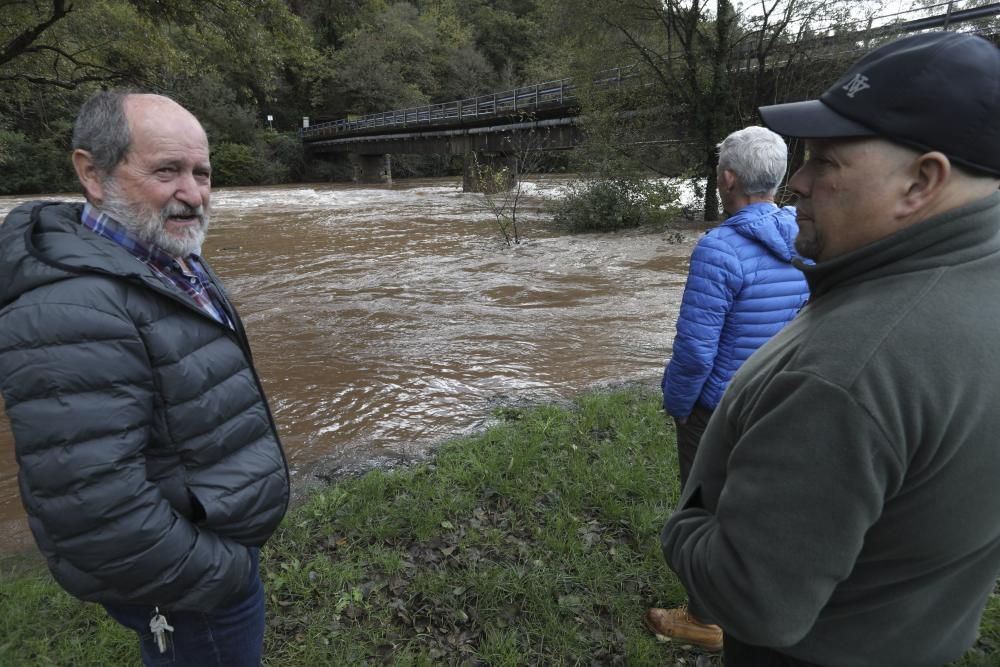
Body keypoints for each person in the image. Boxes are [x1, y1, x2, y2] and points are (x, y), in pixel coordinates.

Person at [660, 31, 1000, 666]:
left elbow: (750, 599)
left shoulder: (848, 374)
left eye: (827, 161)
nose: (800, 183)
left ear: (922, 180)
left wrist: (690, 515)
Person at [0, 90, 290, 666]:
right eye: (167, 171)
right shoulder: (69, 308)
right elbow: (97, 512)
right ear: (92, 173)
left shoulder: (161, 257)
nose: (192, 193)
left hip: (210, 550)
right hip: (193, 587)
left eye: (201, 172)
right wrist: (223, 573)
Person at [647, 126, 809, 652]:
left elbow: (696, 350)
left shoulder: (719, 248)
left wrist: (677, 404)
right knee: (761, 503)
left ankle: (704, 618)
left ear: (729, 179)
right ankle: (761, 598)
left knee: (704, 506)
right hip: (780, 397)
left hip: (720, 406)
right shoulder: (807, 234)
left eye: (720, 170)